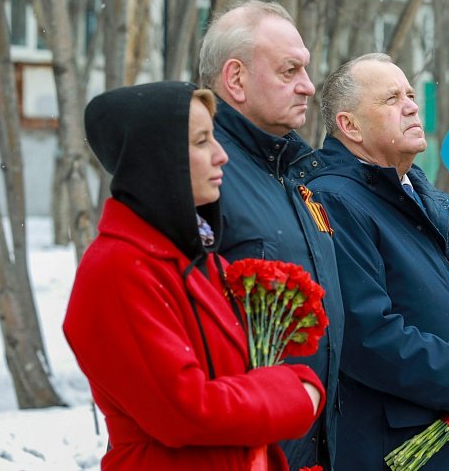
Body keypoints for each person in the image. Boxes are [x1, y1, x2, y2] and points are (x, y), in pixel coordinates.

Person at [63, 81, 324, 470]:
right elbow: (186, 410)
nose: (222, 156)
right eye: (202, 142)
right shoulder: (117, 269)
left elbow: (237, 378)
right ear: (157, 161)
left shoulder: (199, 259)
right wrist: (295, 393)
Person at [307, 53, 449, 470]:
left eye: (410, 94)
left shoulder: (422, 194)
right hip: (395, 446)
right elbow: (367, 336)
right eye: (391, 99)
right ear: (350, 126)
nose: (411, 106)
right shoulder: (335, 200)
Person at [198, 0, 344, 469]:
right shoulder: (205, 175)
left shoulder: (295, 172)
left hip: (309, 446)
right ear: (236, 79)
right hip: (241, 450)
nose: (308, 85)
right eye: (289, 70)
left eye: (306, 68)